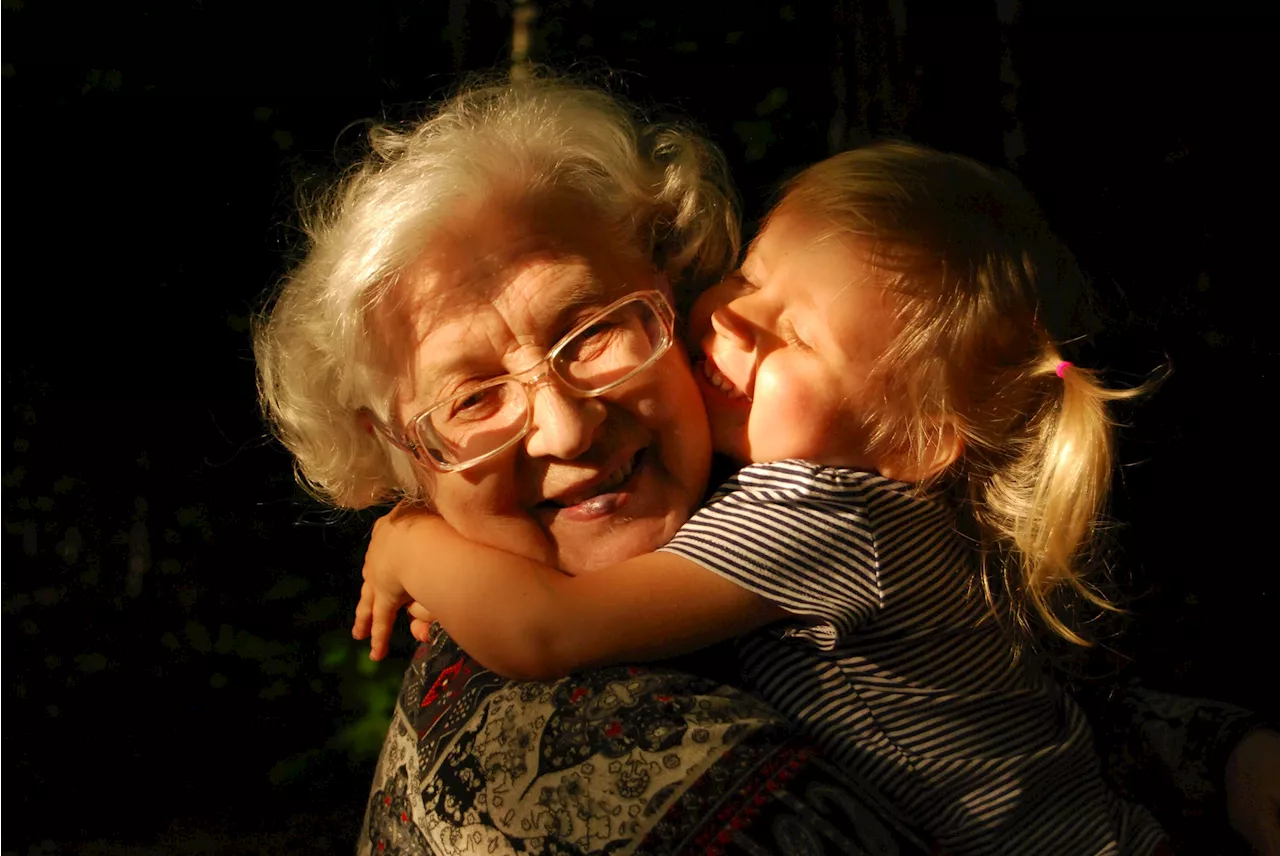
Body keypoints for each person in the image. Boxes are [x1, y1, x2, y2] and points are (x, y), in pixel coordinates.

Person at [254, 73, 1279, 855]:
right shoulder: (566, 767)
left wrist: (409, 540)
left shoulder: (807, 507)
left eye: (593, 330)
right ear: (396, 456)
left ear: (663, 286)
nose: (565, 428)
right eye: (471, 397)